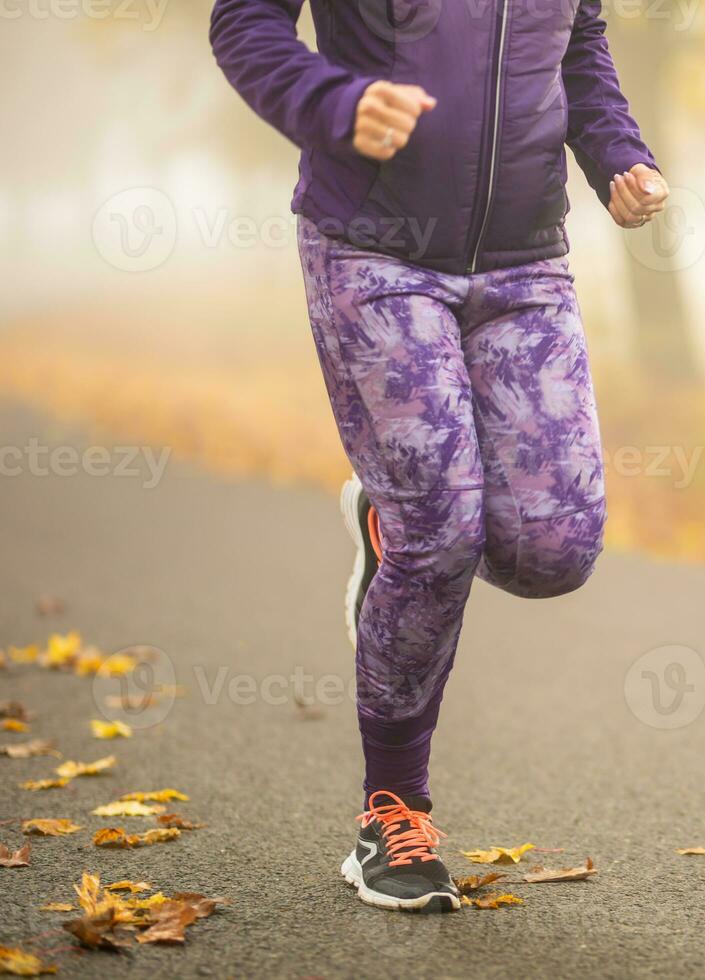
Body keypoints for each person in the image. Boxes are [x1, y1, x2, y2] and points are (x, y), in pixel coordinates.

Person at [210, 0, 667, 913]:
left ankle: (390, 528)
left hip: (524, 260)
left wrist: (618, 153)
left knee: (554, 551)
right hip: (372, 248)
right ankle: (393, 813)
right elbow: (246, 26)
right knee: (443, 526)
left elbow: (578, 49)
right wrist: (335, 103)